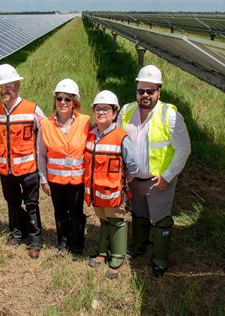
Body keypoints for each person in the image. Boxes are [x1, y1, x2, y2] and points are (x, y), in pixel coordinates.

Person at [117, 65, 191, 277]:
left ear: (159, 90)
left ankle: (159, 259)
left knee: (160, 220)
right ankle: (139, 246)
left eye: (151, 91)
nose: (146, 95)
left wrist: (167, 176)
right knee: (139, 214)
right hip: (133, 179)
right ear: (136, 91)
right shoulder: (126, 111)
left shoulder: (170, 115)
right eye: (142, 91)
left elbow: (184, 149)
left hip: (159, 181)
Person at [0, 64, 45, 259]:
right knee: (12, 203)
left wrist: (43, 168)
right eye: (1, 87)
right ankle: (16, 235)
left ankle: (35, 241)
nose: (5, 90)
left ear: (17, 85)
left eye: (9, 86)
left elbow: (45, 135)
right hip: (6, 169)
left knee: (31, 204)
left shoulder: (32, 109)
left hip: (29, 169)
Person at [85, 90, 139, 279]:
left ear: (114, 113)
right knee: (104, 221)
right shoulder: (91, 136)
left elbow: (133, 166)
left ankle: (117, 258)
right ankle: (101, 253)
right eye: (98, 109)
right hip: (96, 192)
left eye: (106, 109)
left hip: (114, 192)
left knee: (117, 222)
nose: (101, 112)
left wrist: (122, 183)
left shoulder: (121, 137)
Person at [37, 79, 90, 259]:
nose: (63, 103)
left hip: (77, 179)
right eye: (59, 98)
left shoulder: (85, 122)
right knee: (60, 212)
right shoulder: (46, 124)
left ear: (75, 101)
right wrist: (44, 179)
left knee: (76, 213)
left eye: (68, 99)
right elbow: (41, 154)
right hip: (56, 180)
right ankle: (63, 242)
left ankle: (77, 245)